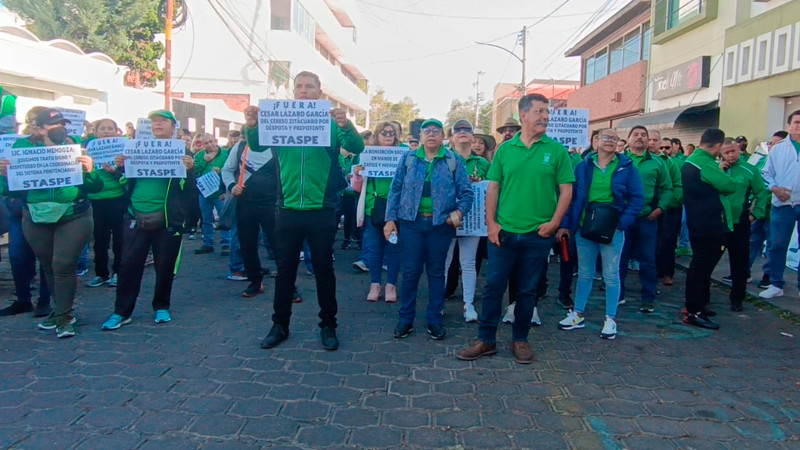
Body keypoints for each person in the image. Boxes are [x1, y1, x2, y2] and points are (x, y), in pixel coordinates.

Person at [247, 71, 365, 351]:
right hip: (287, 207)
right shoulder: (279, 117)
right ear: (293, 90)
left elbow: (356, 146)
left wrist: (346, 126)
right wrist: (252, 125)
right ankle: (280, 324)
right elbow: (257, 144)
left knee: (324, 269)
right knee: (285, 270)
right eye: (299, 86)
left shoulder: (331, 122)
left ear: (319, 91)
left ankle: (328, 324)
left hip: (322, 209)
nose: (303, 90)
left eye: (309, 86)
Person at [457, 94, 574, 364]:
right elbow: (493, 188)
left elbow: (567, 190)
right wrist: (491, 223)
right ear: (524, 115)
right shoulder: (505, 150)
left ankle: (520, 340)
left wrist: (555, 223)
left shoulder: (556, 151)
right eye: (540, 111)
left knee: (527, 290)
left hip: (538, 235)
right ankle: (485, 340)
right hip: (504, 233)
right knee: (493, 287)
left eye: (547, 112)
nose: (545, 116)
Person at [0, 108, 102, 338]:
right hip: (36, 215)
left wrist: (90, 170)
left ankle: (65, 316)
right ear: (37, 128)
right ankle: (59, 310)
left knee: (63, 264)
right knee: (48, 266)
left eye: (62, 124)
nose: (60, 129)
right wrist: (5, 175)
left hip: (74, 214)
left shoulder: (75, 146)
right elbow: (10, 190)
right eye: (53, 125)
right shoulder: (22, 148)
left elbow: (95, 188)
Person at [101, 109, 196, 330]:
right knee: (128, 266)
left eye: (163, 121)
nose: (158, 125)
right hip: (136, 215)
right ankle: (121, 312)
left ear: (173, 127)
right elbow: (126, 179)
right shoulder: (135, 149)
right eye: (154, 122)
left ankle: (161, 306)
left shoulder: (183, 151)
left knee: (165, 265)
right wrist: (121, 166)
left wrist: (189, 171)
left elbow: (189, 191)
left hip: (167, 219)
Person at [385, 118, 473, 340]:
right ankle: (406, 319)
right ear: (421, 137)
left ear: (443, 136)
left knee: (436, 273)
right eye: (427, 131)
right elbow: (395, 190)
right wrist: (390, 219)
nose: (431, 134)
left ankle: (435, 319)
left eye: (436, 130)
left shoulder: (453, 160)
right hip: (411, 225)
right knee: (411, 272)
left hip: (440, 226)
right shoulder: (408, 159)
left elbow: (466, 192)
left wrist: (458, 214)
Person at [558, 128, 644, 339]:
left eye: (614, 139)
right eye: (606, 138)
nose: (610, 142)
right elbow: (573, 198)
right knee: (585, 273)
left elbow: (637, 199)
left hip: (612, 230)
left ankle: (610, 318)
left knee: (611, 275)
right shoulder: (582, 166)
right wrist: (567, 225)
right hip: (585, 227)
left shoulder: (627, 167)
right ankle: (578, 314)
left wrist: (621, 224)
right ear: (596, 141)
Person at [682, 128, 743, 329]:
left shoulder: (693, 160)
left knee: (701, 267)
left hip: (700, 221)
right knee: (701, 268)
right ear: (717, 146)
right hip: (709, 223)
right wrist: (728, 176)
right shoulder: (705, 163)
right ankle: (693, 310)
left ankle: (697, 306)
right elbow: (728, 185)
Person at [0, 107, 52, 318]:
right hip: (20, 208)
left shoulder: (65, 144)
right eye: (33, 122)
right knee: (17, 256)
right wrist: (5, 174)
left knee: (47, 257)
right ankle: (23, 299)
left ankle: (45, 300)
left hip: (48, 210)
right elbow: (9, 185)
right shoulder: (20, 145)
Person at [618, 126, 672, 312]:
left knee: (648, 259)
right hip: (624, 219)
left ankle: (648, 297)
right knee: (620, 258)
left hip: (647, 218)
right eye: (635, 134)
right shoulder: (620, 160)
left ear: (649, 140)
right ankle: (618, 295)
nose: (639, 138)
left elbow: (667, 188)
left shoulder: (657, 162)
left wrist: (659, 209)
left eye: (643, 135)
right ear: (628, 139)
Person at [443, 119, 488, 322]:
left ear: (472, 137)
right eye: (458, 130)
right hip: (448, 217)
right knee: (444, 263)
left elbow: (492, 188)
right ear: (451, 137)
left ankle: (468, 305)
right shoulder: (443, 159)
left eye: (467, 130)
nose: (462, 132)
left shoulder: (483, 163)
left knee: (468, 263)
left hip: (473, 219)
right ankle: (439, 304)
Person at [354, 121, 402, 303]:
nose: (388, 136)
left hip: (395, 210)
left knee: (394, 248)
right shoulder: (367, 155)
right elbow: (358, 188)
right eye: (384, 132)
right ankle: (375, 284)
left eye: (392, 133)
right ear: (377, 135)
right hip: (372, 209)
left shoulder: (403, 154)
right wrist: (358, 175)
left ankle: (391, 285)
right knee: (374, 249)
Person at [719, 138, 768, 311]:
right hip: (718, 222)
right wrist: (720, 172)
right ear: (721, 153)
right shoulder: (716, 169)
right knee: (708, 260)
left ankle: (737, 298)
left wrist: (755, 215)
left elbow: (762, 192)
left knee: (739, 263)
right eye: (727, 152)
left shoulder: (750, 170)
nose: (731, 155)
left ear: (739, 150)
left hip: (740, 223)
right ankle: (702, 296)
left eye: (734, 151)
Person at [759, 110, 800, 299]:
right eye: (797, 122)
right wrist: (775, 189)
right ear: (789, 125)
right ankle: (776, 283)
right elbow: (766, 174)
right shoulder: (779, 148)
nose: (799, 126)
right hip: (782, 204)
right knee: (777, 244)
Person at [86, 118, 126, 288]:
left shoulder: (123, 149)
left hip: (117, 198)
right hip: (96, 200)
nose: (107, 131)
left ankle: (118, 272)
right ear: (96, 132)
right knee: (100, 240)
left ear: (117, 131)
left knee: (119, 239)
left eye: (110, 128)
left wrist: (117, 170)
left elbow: (129, 175)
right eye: (103, 128)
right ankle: (101, 274)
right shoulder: (89, 150)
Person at [749, 130, 789, 289]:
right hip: (758, 210)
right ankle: (744, 272)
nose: (771, 146)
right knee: (752, 241)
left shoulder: (786, 164)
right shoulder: (762, 161)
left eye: (776, 143)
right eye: (770, 143)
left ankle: (769, 276)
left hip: (775, 211)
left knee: (773, 245)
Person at [193, 134, 231, 255]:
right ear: (202, 145)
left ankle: (226, 244)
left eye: (211, 142)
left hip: (220, 193)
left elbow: (232, 170)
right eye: (206, 143)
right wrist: (205, 160)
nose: (209, 145)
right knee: (206, 219)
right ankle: (208, 244)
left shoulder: (226, 153)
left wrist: (225, 188)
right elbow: (193, 171)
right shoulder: (199, 155)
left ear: (215, 141)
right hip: (204, 193)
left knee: (224, 219)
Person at [655, 137, 683, 286]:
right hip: (655, 207)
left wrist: (667, 204)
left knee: (669, 241)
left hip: (671, 208)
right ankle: (657, 270)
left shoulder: (677, 163)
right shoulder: (653, 162)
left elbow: (679, 186)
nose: (664, 151)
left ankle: (668, 273)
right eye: (662, 148)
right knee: (656, 241)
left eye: (666, 148)